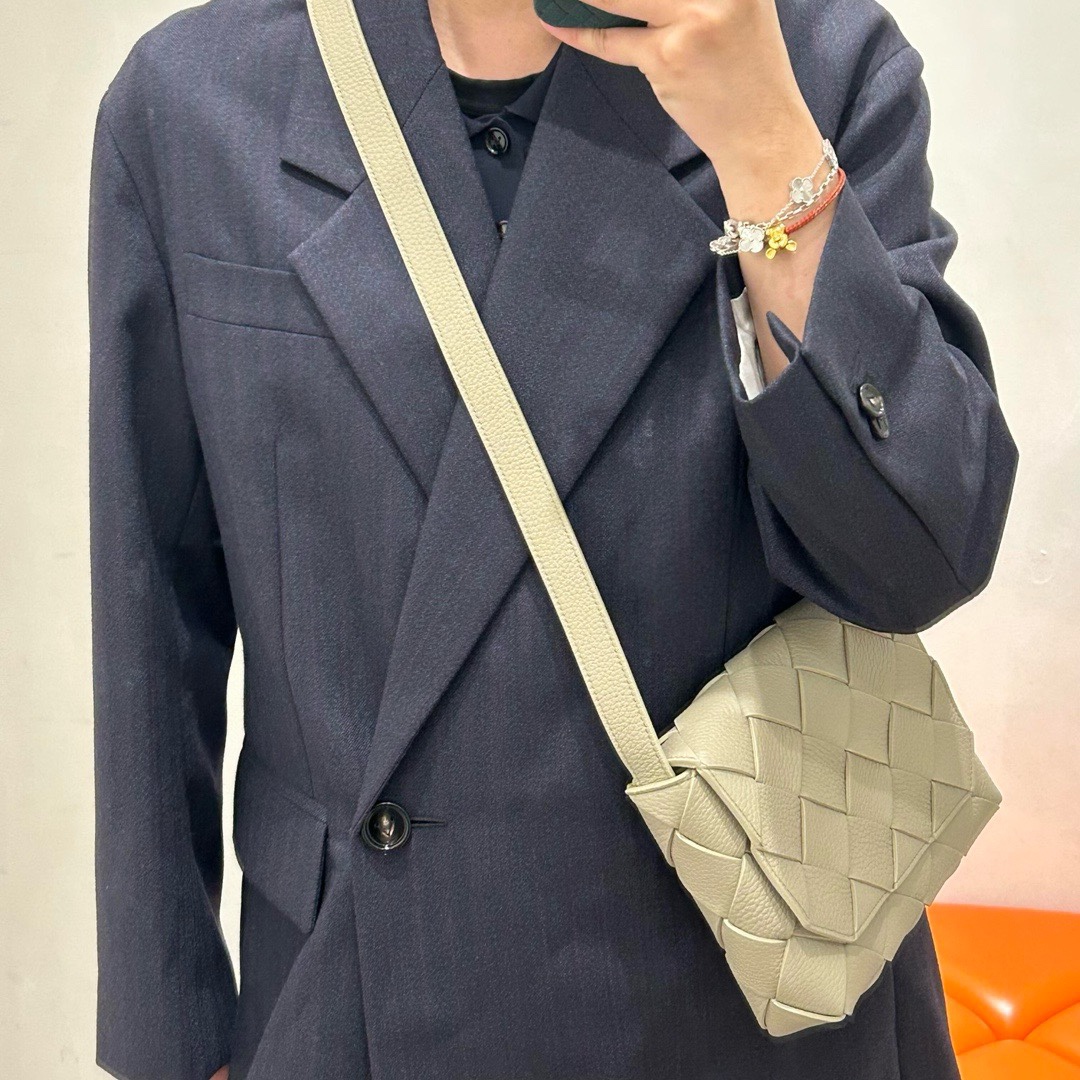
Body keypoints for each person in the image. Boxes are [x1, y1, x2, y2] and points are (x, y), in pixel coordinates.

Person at [87, 0, 1019, 1077]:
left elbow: (918, 562)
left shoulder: (814, 61)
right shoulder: (196, 101)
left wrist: (766, 147)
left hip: (745, 985)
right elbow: (153, 606)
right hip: (349, 995)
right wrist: (169, 1044)